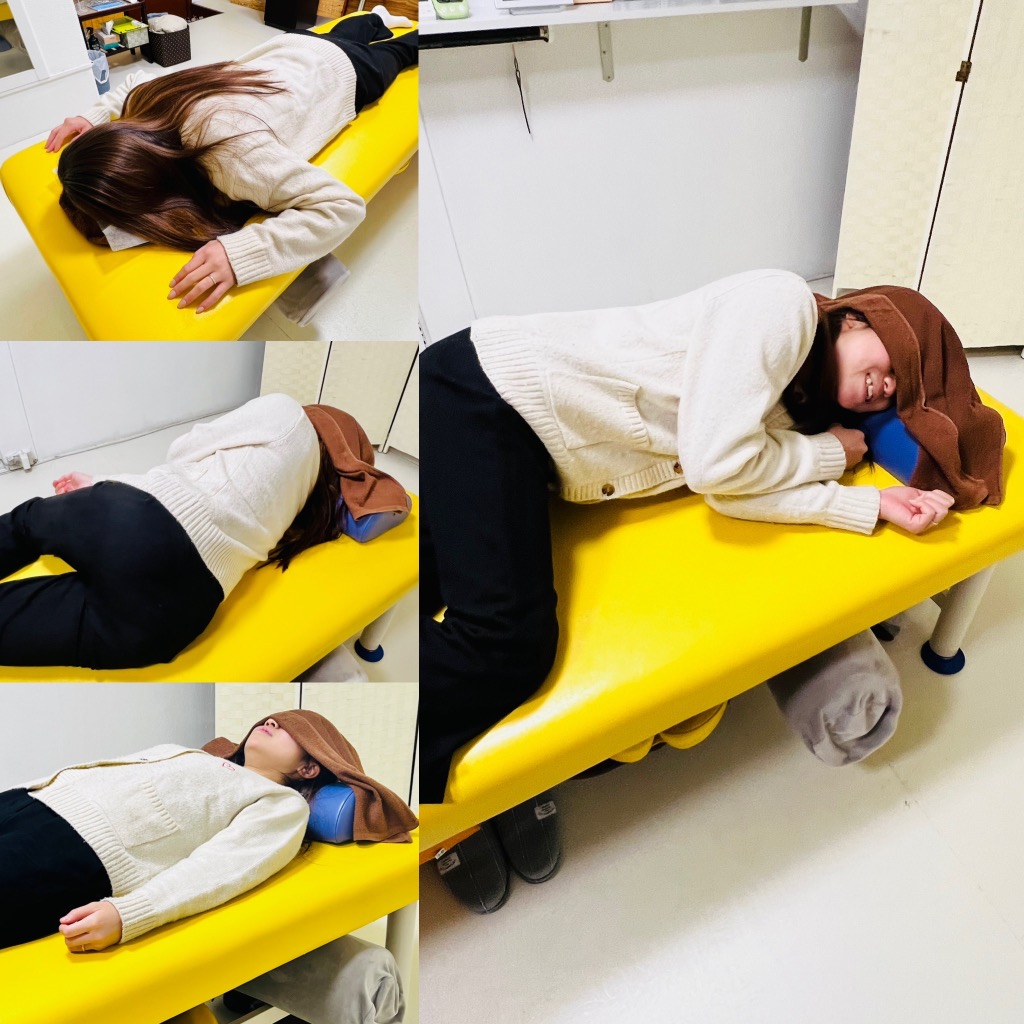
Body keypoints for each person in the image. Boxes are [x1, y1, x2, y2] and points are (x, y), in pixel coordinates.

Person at [420, 268, 962, 806]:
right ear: (854, 320)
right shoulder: (784, 305)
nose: (890, 384)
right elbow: (715, 467)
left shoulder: (795, 410)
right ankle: (387, 761)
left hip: (520, 447)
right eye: (896, 358)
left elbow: (729, 492)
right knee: (506, 643)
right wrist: (825, 455)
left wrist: (871, 503)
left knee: (422, 588)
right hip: (487, 394)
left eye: (899, 391)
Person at [43, 9, 418, 314]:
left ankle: (403, 27)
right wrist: (92, 117)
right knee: (347, 30)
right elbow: (131, 84)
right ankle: (376, 17)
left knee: (400, 52)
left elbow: (342, 206)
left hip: (345, 73)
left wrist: (241, 253)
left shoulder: (232, 159)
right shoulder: (146, 105)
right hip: (292, 47)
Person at [0, 393, 343, 669]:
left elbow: (184, 450)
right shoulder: (305, 501)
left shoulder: (288, 413)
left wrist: (104, 484)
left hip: (136, 523)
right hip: (174, 618)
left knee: (26, 523)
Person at [0, 715, 323, 952]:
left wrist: (131, 913)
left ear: (307, 768)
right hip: (28, 799)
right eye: (272, 720)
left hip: (74, 848)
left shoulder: (281, 801)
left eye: (294, 729)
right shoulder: (192, 755)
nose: (272, 722)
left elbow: (222, 866)